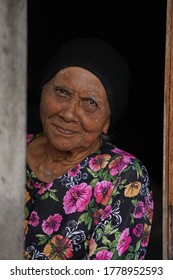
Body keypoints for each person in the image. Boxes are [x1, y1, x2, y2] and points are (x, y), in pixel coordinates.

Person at [24, 37, 154, 260]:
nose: (68, 113)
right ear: (42, 92)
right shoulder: (8, 149)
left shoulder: (124, 176)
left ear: (107, 122)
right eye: (62, 92)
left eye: (90, 103)